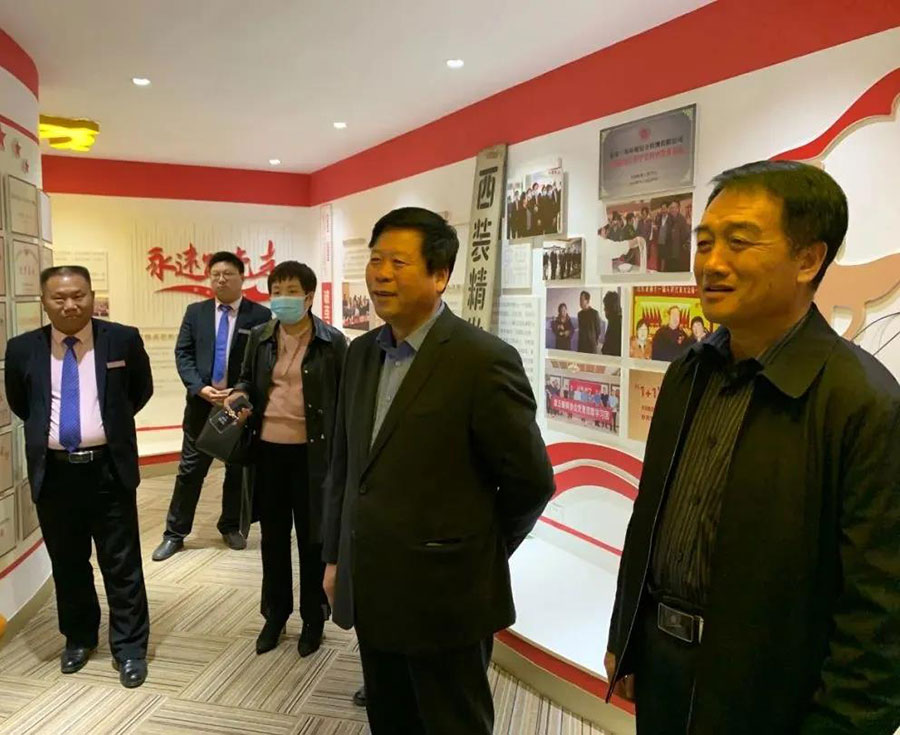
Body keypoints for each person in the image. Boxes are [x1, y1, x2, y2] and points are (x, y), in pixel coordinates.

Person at [605, 161, 900, 734]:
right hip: (664, 670)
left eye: (739, 242)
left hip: (771, 694)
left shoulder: (863, 402)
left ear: (808, 260)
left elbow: (880, 615)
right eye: (704, 242)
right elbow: (650, 518)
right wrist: (626, 635)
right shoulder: (689, 370)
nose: (712, 263)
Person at [322, 207, 554, 735]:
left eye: (398, 262)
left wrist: (472, 551)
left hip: (446, 596)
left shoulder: (481, 360)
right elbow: (346, 466)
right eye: (375, 260)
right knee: (390, 716)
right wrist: (335, 557)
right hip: (372, 584)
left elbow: (531, 482)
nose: (380, 274)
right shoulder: (361, 354)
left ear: (440, 275)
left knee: (452, 723)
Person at [5, 266, 153, 688]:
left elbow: (139, 391)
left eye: (79, 295)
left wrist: (105, 427)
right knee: (68, 562)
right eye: (59, 298)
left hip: (108, 469)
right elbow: (22, 403)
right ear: (44, 302)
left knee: (121, 562)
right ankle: (79, 637)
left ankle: (129, 648)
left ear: (91, 296)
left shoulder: (122, 339)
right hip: (54, 473)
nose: (70, 305)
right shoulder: (22, 349)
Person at [225, 261, 347, 657]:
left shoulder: (332, 342)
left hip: (314, 457)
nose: (281, 299)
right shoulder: (260, 337)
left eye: (291, 291)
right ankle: (275, 615)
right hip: (268, 453)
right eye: (276, 291)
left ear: (309, 296)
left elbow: (345, 400)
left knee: (314, 540)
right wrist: (239, 394)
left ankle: (314, 618)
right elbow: (246, 379)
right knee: (273, 539)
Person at [151, 252, 270, 562]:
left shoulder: (260, 315)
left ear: (242, 277)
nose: (221, 279)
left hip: (238, 407)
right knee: (190, 472)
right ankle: (175, 533)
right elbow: (183, 353)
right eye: (215, 274)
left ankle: (230, 526)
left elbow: (262, 360)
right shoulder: (196, 312)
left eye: (228, 274)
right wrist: (200, 388)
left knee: (236, 470)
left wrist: (240, 389)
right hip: (201, 405)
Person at [601, 290, 623, 356]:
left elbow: (608, 348)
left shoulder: (615, 323)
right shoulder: (616, 320)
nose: (604, 309)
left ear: (610, 307)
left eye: (605, 306)